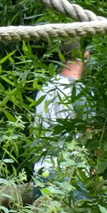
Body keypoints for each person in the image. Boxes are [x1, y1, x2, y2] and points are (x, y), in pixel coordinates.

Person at [32, 41, 91, 193]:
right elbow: (93, 134)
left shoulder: (45, 88)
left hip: (42, 172)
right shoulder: (79, 90)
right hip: (71, 173)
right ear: (85, 55)